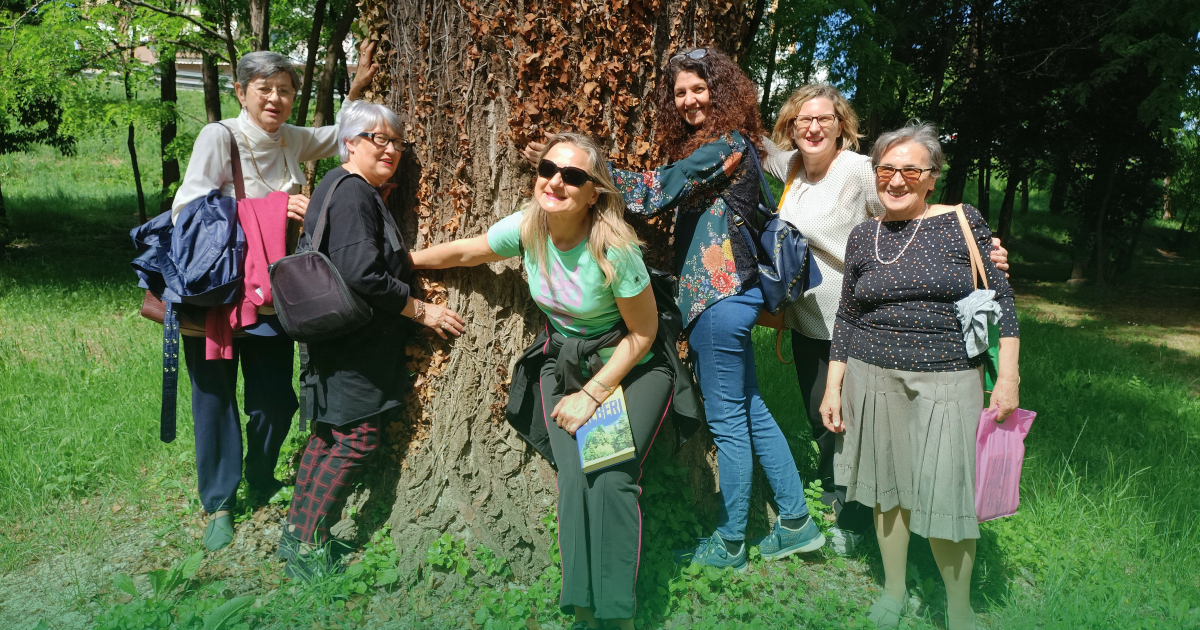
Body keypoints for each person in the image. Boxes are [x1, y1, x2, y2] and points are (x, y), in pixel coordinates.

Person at [526, 48, 825, 571]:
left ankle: (731, 542)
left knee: (729, 421)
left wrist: (574, 171)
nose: (689, 100)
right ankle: (798, 522)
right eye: (681, 92)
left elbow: (654, 191)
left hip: (719, 298)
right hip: (730, 298)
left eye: (699, 89)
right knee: (751, 408)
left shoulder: (726, 145)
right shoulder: (728, 145)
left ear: (724, 92)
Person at [412, 133, 678, 630]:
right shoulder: (529, 226)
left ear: (593, 191)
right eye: (549, 169)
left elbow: (644, 334)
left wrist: (593, 395)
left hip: (630, 366)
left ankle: (617, 616)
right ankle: (582, 611)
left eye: (573, 176)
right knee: (575, 476)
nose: (556, 181)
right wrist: (402, 261)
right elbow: (468, 252)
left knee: (609, 474)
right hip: (567, 363)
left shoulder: (613, 250)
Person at [759, 84, 1009, 555]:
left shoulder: (858, 171)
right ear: (790, 126)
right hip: (807, 323)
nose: (813, 128)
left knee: (855, 426)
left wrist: (980, 250)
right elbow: (755, 141)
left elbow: (910, 209)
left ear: (841, 127)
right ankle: (844, 503)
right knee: (822, 418)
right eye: (802, 120)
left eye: (824, 120)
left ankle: (858, 521)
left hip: (858, 324)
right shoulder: (791, 167)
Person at [171, 45, 379, 551]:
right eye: (264, 89)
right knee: (214, 402)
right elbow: (187, 209)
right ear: (241, 92)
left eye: (285, 90)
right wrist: (273, 208)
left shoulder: (290, 139)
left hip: (269, 300)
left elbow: (337, 140)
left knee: (275, 402)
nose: (276, 98)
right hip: (218, 297)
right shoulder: (219, 137)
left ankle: (259, 477)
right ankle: (220, 503)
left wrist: (354, 88)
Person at [819, 121, 1020, 630]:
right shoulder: (865, 236)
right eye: (887, 168)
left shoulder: (961, 222)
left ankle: (959, 608)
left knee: (946, 494)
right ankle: (893, 591)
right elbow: (847, 317)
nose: (897, 179)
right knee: (889, 494)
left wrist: (1008, 376)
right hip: (872, 377)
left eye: (911, 169)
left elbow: (1004, 303)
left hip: (949, 379)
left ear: (932, 177)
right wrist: (834, 385)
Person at [279, 100, 465, 580]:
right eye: (378, 139)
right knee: (356, 440)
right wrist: (422, 310)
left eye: (396, 142)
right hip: (354, 345)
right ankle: (306, 545)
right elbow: (363, 273)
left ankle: (298, 536)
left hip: (336, 340)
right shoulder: (354, 194)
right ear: (350, 142)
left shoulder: (336, 186)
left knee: (328, 436)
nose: (390, 149)